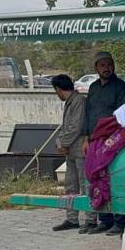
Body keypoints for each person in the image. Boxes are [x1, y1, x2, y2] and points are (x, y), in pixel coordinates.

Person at [82, 51, 125, 236]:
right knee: (96, 177)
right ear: (96, 68)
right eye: (102, 65)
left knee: (113, 178)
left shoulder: (121, 87)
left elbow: (122, 115)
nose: (106, 68)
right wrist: (85, 138)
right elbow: (88, 113)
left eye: (109, 64)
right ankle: (104, 218)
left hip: (113, 140)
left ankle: (119, 221)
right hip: (95, 139)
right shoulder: (93, 87)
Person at [51, 74, 90, 232]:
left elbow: (76, 126)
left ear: (58, 89)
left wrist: (63, 143)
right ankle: (72, 219)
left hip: (80, 148)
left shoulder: (79, 101)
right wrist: (60, 141)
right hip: (71, 150)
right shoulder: (70, 102)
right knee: (70, 185)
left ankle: (90, 219)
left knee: (85, 184)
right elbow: (65, 126)